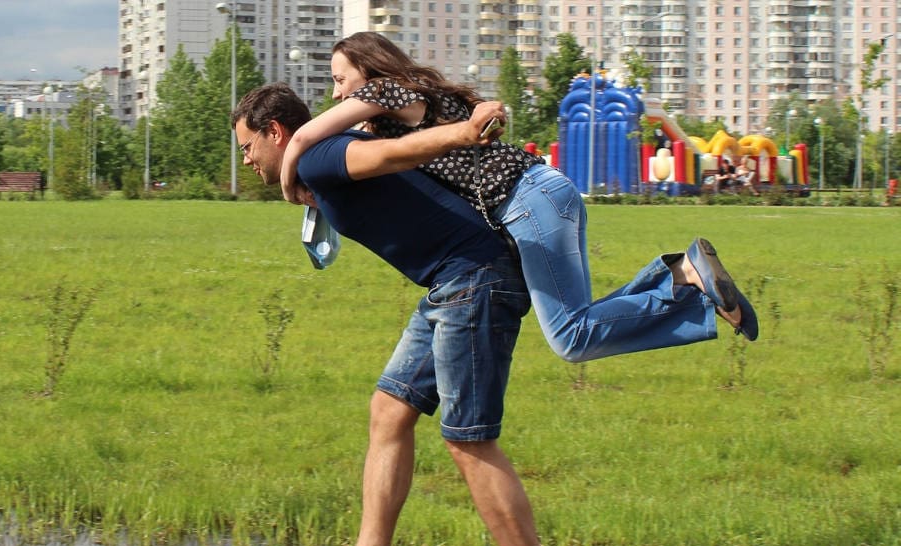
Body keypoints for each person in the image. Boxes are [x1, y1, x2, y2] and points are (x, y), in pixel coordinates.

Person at [233, 83, 571, 546]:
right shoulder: (316, 163)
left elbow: (395, 152)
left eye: (248, 146)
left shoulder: (324, 154)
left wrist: (464, 131)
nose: (246, 159)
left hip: (475, 281)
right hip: (450, 284)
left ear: (276, 133)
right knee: (390, 409)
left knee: (469, 440)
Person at [280, 31, 758, 366]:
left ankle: (688, 285)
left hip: (526, 202)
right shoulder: (418, 97)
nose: (337, 93)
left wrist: (287, 181)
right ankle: (678, 277)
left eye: (340, 80)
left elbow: (304, 138)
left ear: (369, 69)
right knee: (579, 322)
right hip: (546, 191)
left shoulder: (388, 90)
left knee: (572, 337)